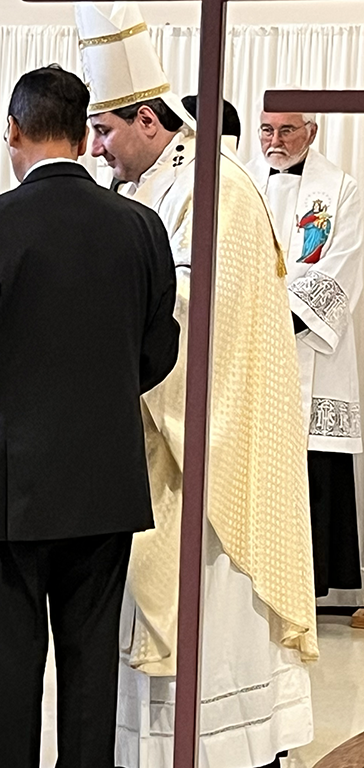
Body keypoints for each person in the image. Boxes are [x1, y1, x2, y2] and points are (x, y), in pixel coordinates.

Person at [0, 65, 180, 767]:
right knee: (91, 677)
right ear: (85, 136)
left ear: (12, 130)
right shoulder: (140, 226)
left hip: (9, 482)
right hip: (105, 480)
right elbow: (158, 353)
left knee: (7, 676)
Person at [75, 3, 319, 767]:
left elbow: (194, 315)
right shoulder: (143, 189)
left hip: (215, 449)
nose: (96, 149)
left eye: (105, 131)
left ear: (147, 119)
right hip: (148, 443)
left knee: (213, 631)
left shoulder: (216, 189)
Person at [248, 102, 364, 612]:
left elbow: (342, 265)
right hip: (250, 348)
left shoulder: (341, 190)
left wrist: (282, 321)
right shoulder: (238, 184)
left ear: (311, 132)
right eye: (267, 130)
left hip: (309, 350)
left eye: (287, 130)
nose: (275, 140)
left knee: (313, 474)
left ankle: (305, 595)